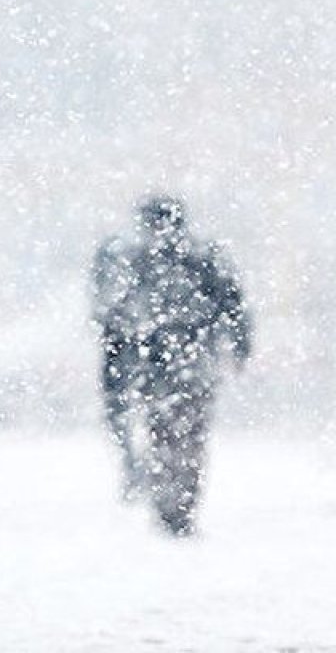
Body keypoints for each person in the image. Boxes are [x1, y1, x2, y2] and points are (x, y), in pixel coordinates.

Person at [90, 194, 252, 536]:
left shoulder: (138, 261)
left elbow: (115, 317)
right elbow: (232, 304)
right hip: (193, 364)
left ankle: (170, 502)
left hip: (158, 367)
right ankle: (179, 502)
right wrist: (237, 345)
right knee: (187, 437)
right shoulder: (202, 257)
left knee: (164, 433)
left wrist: (121, 360)